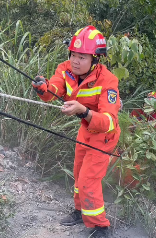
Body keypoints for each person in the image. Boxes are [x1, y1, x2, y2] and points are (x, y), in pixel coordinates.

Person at [32, 25, 120, 238]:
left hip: (104, 136)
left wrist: (84, 112)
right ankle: (80, 212)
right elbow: (54, 90)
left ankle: (101, 227)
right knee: (79, 173)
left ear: (95, 60)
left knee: (88, 179)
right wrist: (42, 89)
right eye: (73, 54)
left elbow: (109, 122)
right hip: (85, 130)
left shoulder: (108, 81)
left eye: (82, 57)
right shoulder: (65, 69)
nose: (75, 61)